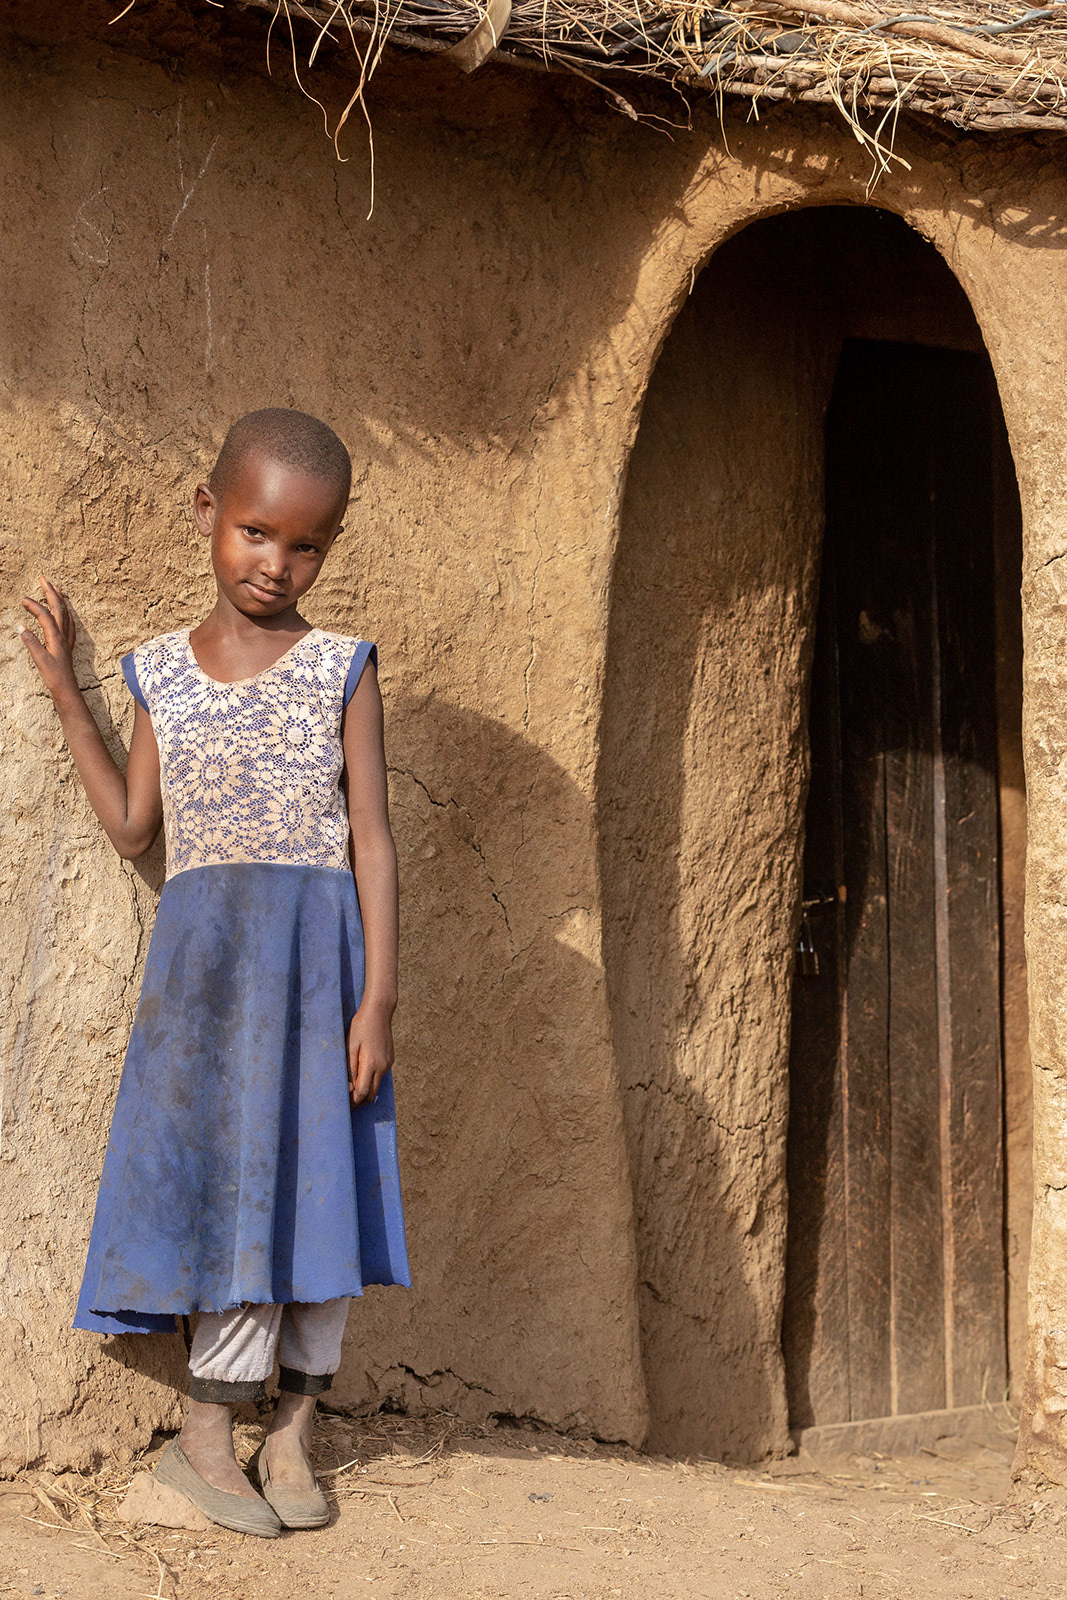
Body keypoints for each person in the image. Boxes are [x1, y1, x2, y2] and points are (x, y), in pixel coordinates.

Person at [19, 408, 410, 1538]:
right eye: (252, 534)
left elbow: (372, 838)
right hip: (205, 979)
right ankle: (203, 1440)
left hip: (317, 975)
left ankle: (292, 1429)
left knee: (317, 1185)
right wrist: (68, 692)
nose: (274, 566)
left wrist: (375, 996)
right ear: (208, 515)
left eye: (304, 547)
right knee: (228, 1192)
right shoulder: (161, 678)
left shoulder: (342, 668)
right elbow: (136, 826)